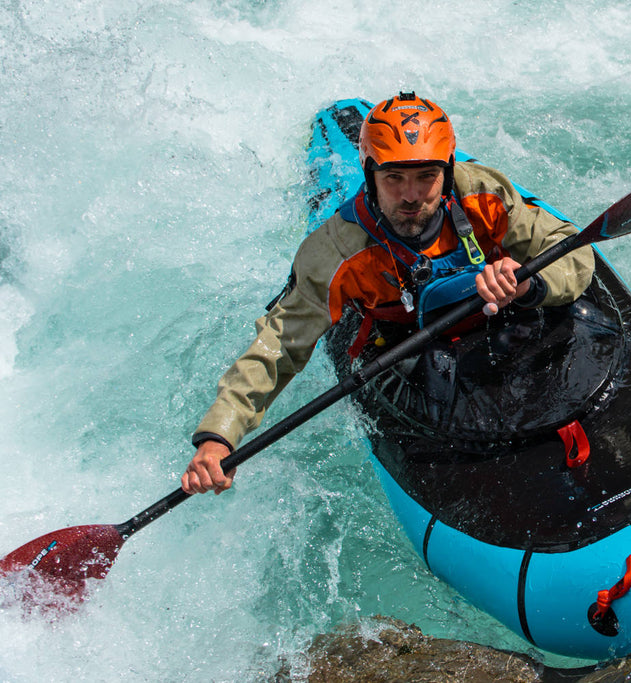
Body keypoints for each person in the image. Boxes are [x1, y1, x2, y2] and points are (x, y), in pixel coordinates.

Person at [181, 92, 595, 495]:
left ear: (448, 172)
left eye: (426, 177)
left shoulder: (482, 193)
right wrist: (221, 433)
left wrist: (530, 283)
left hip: (501, 313)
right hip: (404, 343)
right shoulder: (335, 252)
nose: (411, 195)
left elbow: (573, 252)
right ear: (369, 174)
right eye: (393, 178)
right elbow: (279, 343)